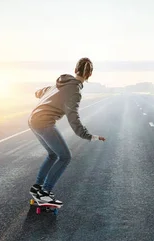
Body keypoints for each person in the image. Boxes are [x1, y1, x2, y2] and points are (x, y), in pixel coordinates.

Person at [28, 57, 106, 205]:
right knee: (65, 157)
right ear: (89, 75)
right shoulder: (75, 91)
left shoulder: (61, 82)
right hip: (44, 122)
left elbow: (42, 91)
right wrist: (89, 136)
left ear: (75, 70)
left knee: (52, 154)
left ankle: (37, 187)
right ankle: (45, 192)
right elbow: (73, 119)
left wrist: (39, 93)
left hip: (33, 119)